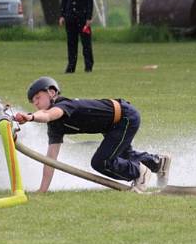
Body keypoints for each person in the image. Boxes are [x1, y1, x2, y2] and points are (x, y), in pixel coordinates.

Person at [14, 76, 171, 194]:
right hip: (112, 126)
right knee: (125, 154)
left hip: (124, 117)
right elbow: (50, 161)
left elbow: (47, 115)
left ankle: (139, 173)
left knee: (100, 161)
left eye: (37, 98)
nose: (35, 103)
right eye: (32, 101)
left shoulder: (64, 105)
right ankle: (158, 163)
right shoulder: (55, 127)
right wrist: (42, 190)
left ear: (52, 92)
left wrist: (30, 117)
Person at [60, 0, 94, 73]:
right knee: (71, 43)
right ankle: (71, 66)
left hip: (83, 17)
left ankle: (88, 66)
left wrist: (89, 17)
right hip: (70, 16)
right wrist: (62, 15)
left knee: (86, 44)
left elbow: (90, 0)